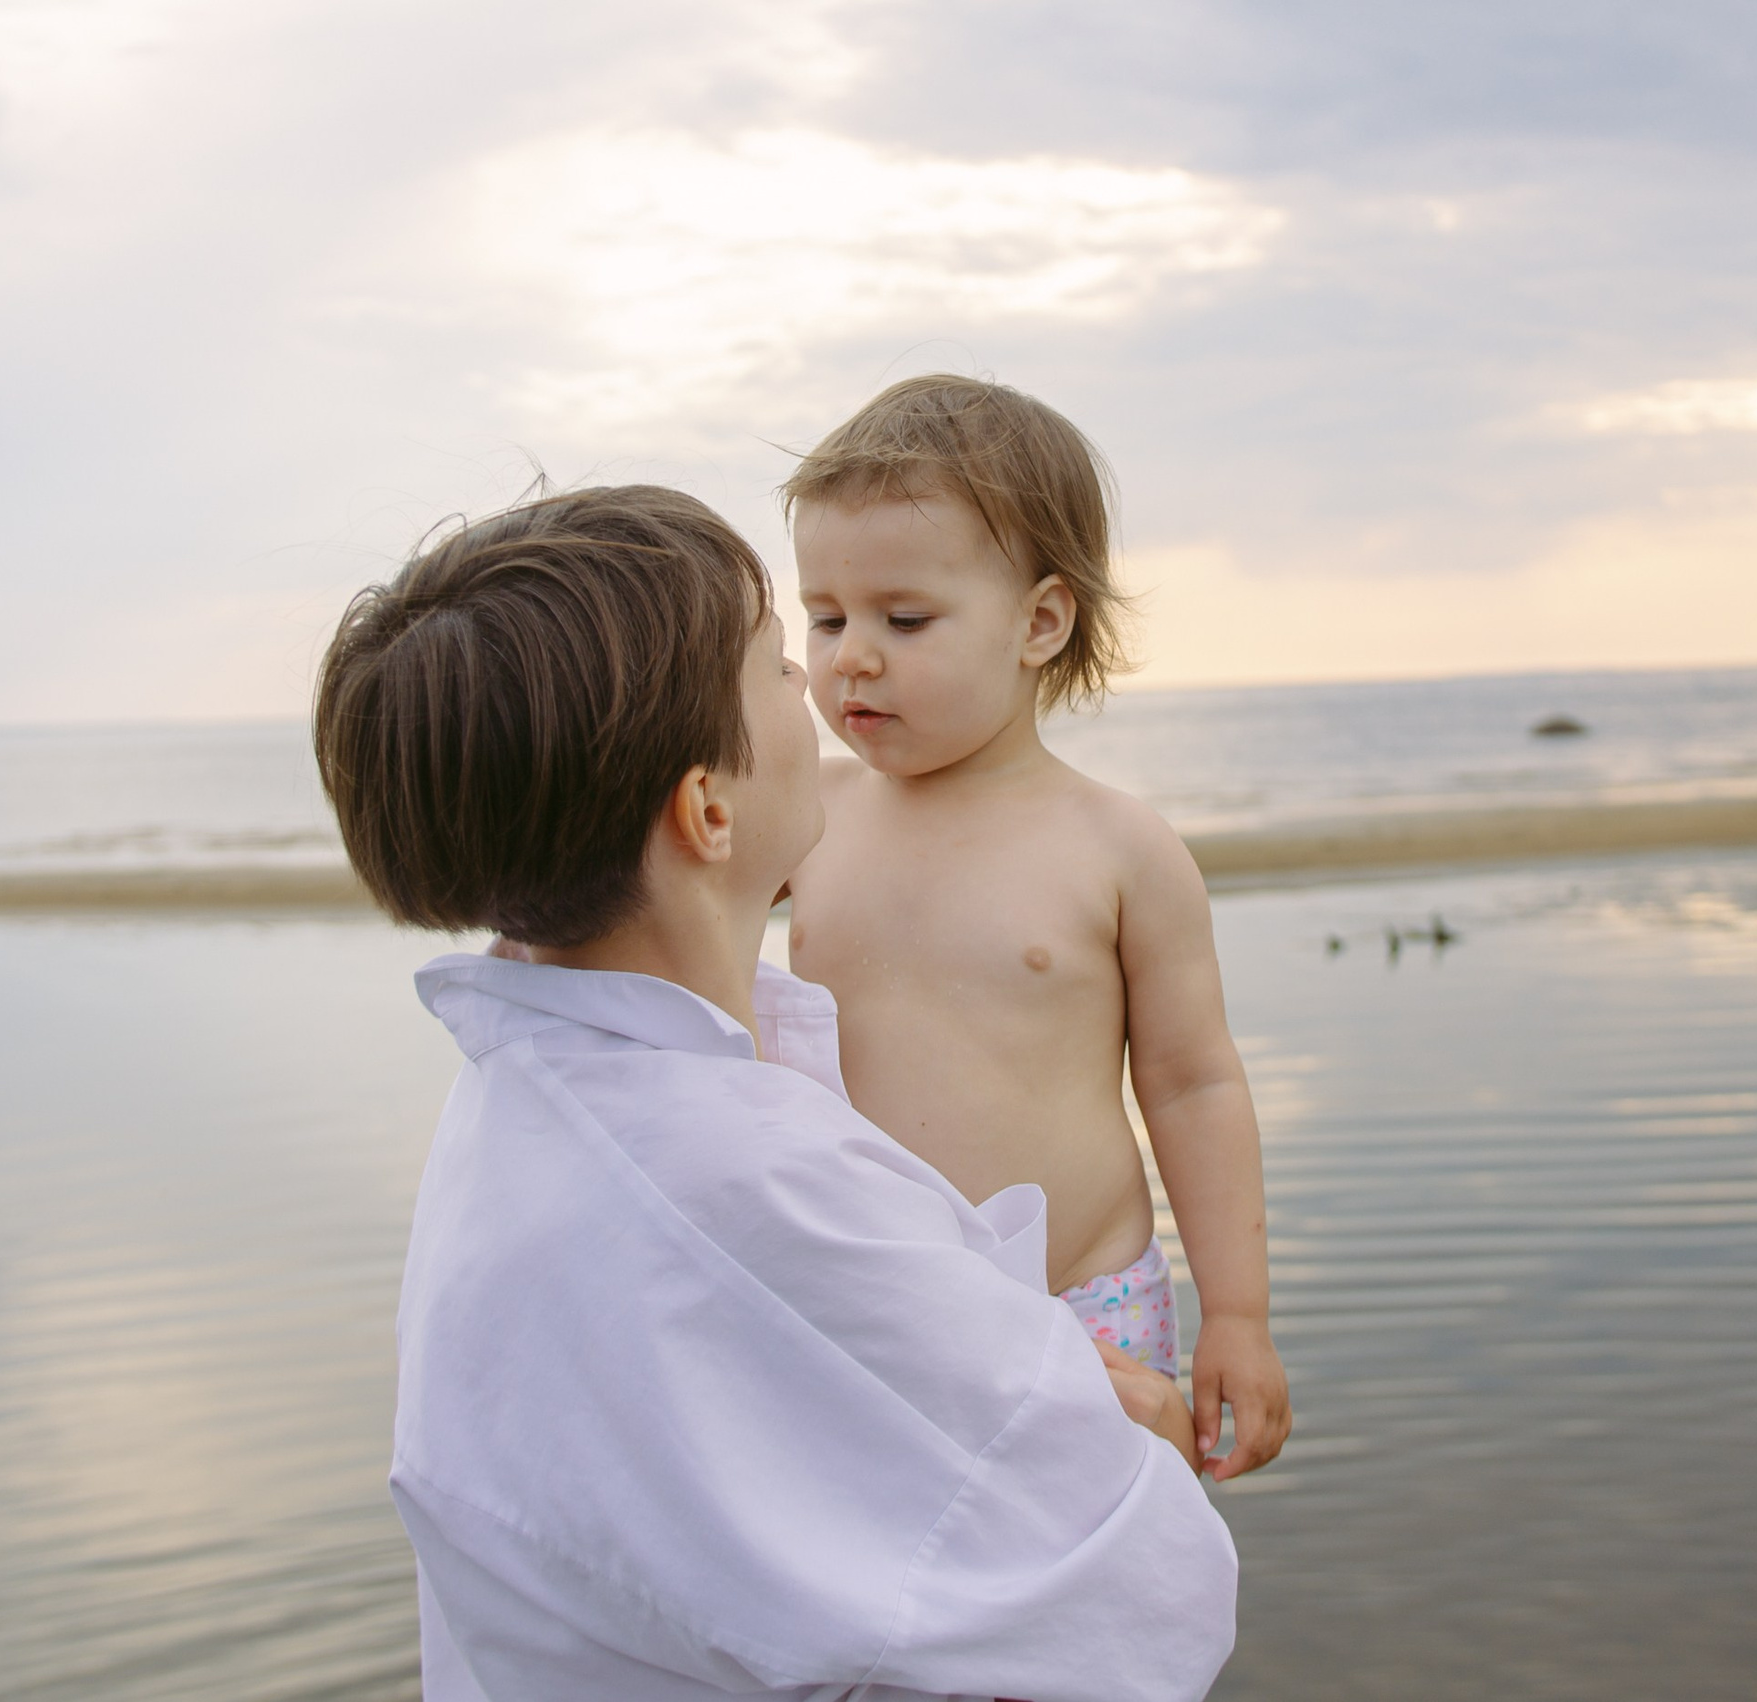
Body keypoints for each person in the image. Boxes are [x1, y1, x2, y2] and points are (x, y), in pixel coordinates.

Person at [313, 485, 1237, 1701]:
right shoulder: (745, 1186)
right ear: (708, 808)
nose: (822, 683)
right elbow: (1136, 1600)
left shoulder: (524, 1101)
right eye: (775, 660)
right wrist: (1138, 1433)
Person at [782, 376, 1293, 1479]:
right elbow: (646, 892)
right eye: (824, 618)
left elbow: (1193, 1080)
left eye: (902, 619)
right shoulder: (802, 814)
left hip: (1083, 1303)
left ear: (1040, 621)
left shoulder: (1116, 848)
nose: (849, 656)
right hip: (873, 1314)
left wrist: (1237, 1315)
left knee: (1095, 1598)